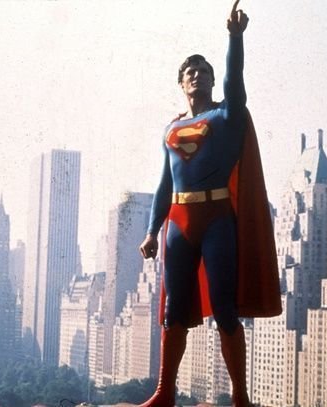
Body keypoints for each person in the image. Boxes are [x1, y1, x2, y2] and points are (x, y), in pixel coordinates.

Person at [138, 1, 281, 406]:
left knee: (224, 308)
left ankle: (240, 397)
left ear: (212, 80)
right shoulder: (171, 128)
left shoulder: (225, 116)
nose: (197, 75)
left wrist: (235, 38)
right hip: (179, 223)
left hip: (218, 218)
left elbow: (236, 85)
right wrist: (151, 231)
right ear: (181, 83)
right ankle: (164, 392)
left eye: (204, 71)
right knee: (173, 311)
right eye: (190, 72)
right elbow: (165, 182)